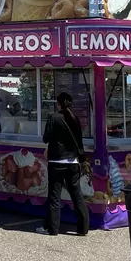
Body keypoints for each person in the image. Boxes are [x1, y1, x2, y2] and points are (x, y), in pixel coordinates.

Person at [38, 92, 90, 237]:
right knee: (77, 195)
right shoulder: (75, 118)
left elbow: (45, 138)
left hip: (56, 162)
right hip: (73, 162)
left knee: (54, 196)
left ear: (58, 103)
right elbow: (79, 141)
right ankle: (83, 228)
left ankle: (52, 229)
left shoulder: (53, 117)